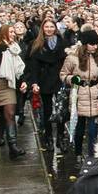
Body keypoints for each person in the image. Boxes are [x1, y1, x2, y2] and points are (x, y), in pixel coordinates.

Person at [0, 24, 28, 159]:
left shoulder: (15, 49)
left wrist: (23, 82)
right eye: (11, 32)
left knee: (10, 114)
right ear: (3, 34)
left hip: (9, 85)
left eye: (14, 32)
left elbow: (18, 70)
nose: (13, 34)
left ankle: (13, 146)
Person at [59, 29, 98, 159]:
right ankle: (78, 153)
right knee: (79, 129)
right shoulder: (72, 58)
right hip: (78, 95)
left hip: (94, 95)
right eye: (92, 44)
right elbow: (63, 74)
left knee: (93, 130)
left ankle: (92, 155)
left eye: (96, 44)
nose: (95, 47)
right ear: (85, 44)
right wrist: (71, 79)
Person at [27, 19, 69, 150]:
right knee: (47, 110)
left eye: (52, 26)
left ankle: (61, 137)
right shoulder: (36, 44)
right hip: (44, 80)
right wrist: (34, 82)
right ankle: (49, 137)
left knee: (62, 109)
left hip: (59, 79)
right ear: (42, 28)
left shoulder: (62, 42)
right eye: (47, 27)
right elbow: (33, 66)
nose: (49, 29)